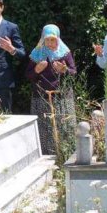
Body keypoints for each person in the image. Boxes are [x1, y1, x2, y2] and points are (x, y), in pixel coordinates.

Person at [25, 24, 77, 155]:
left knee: (63, 125)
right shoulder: (36, 53)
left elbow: (73, 72)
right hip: (41, 96)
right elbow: (28, 75)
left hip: (62, 96)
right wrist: (37, 69)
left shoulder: (64, 53)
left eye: (52, 39)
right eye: (47, 39)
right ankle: (45, 154)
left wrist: (64, 70)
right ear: (42, 39)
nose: (49, 43)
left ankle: (66, 153)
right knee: (44, 126)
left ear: (58, 39)